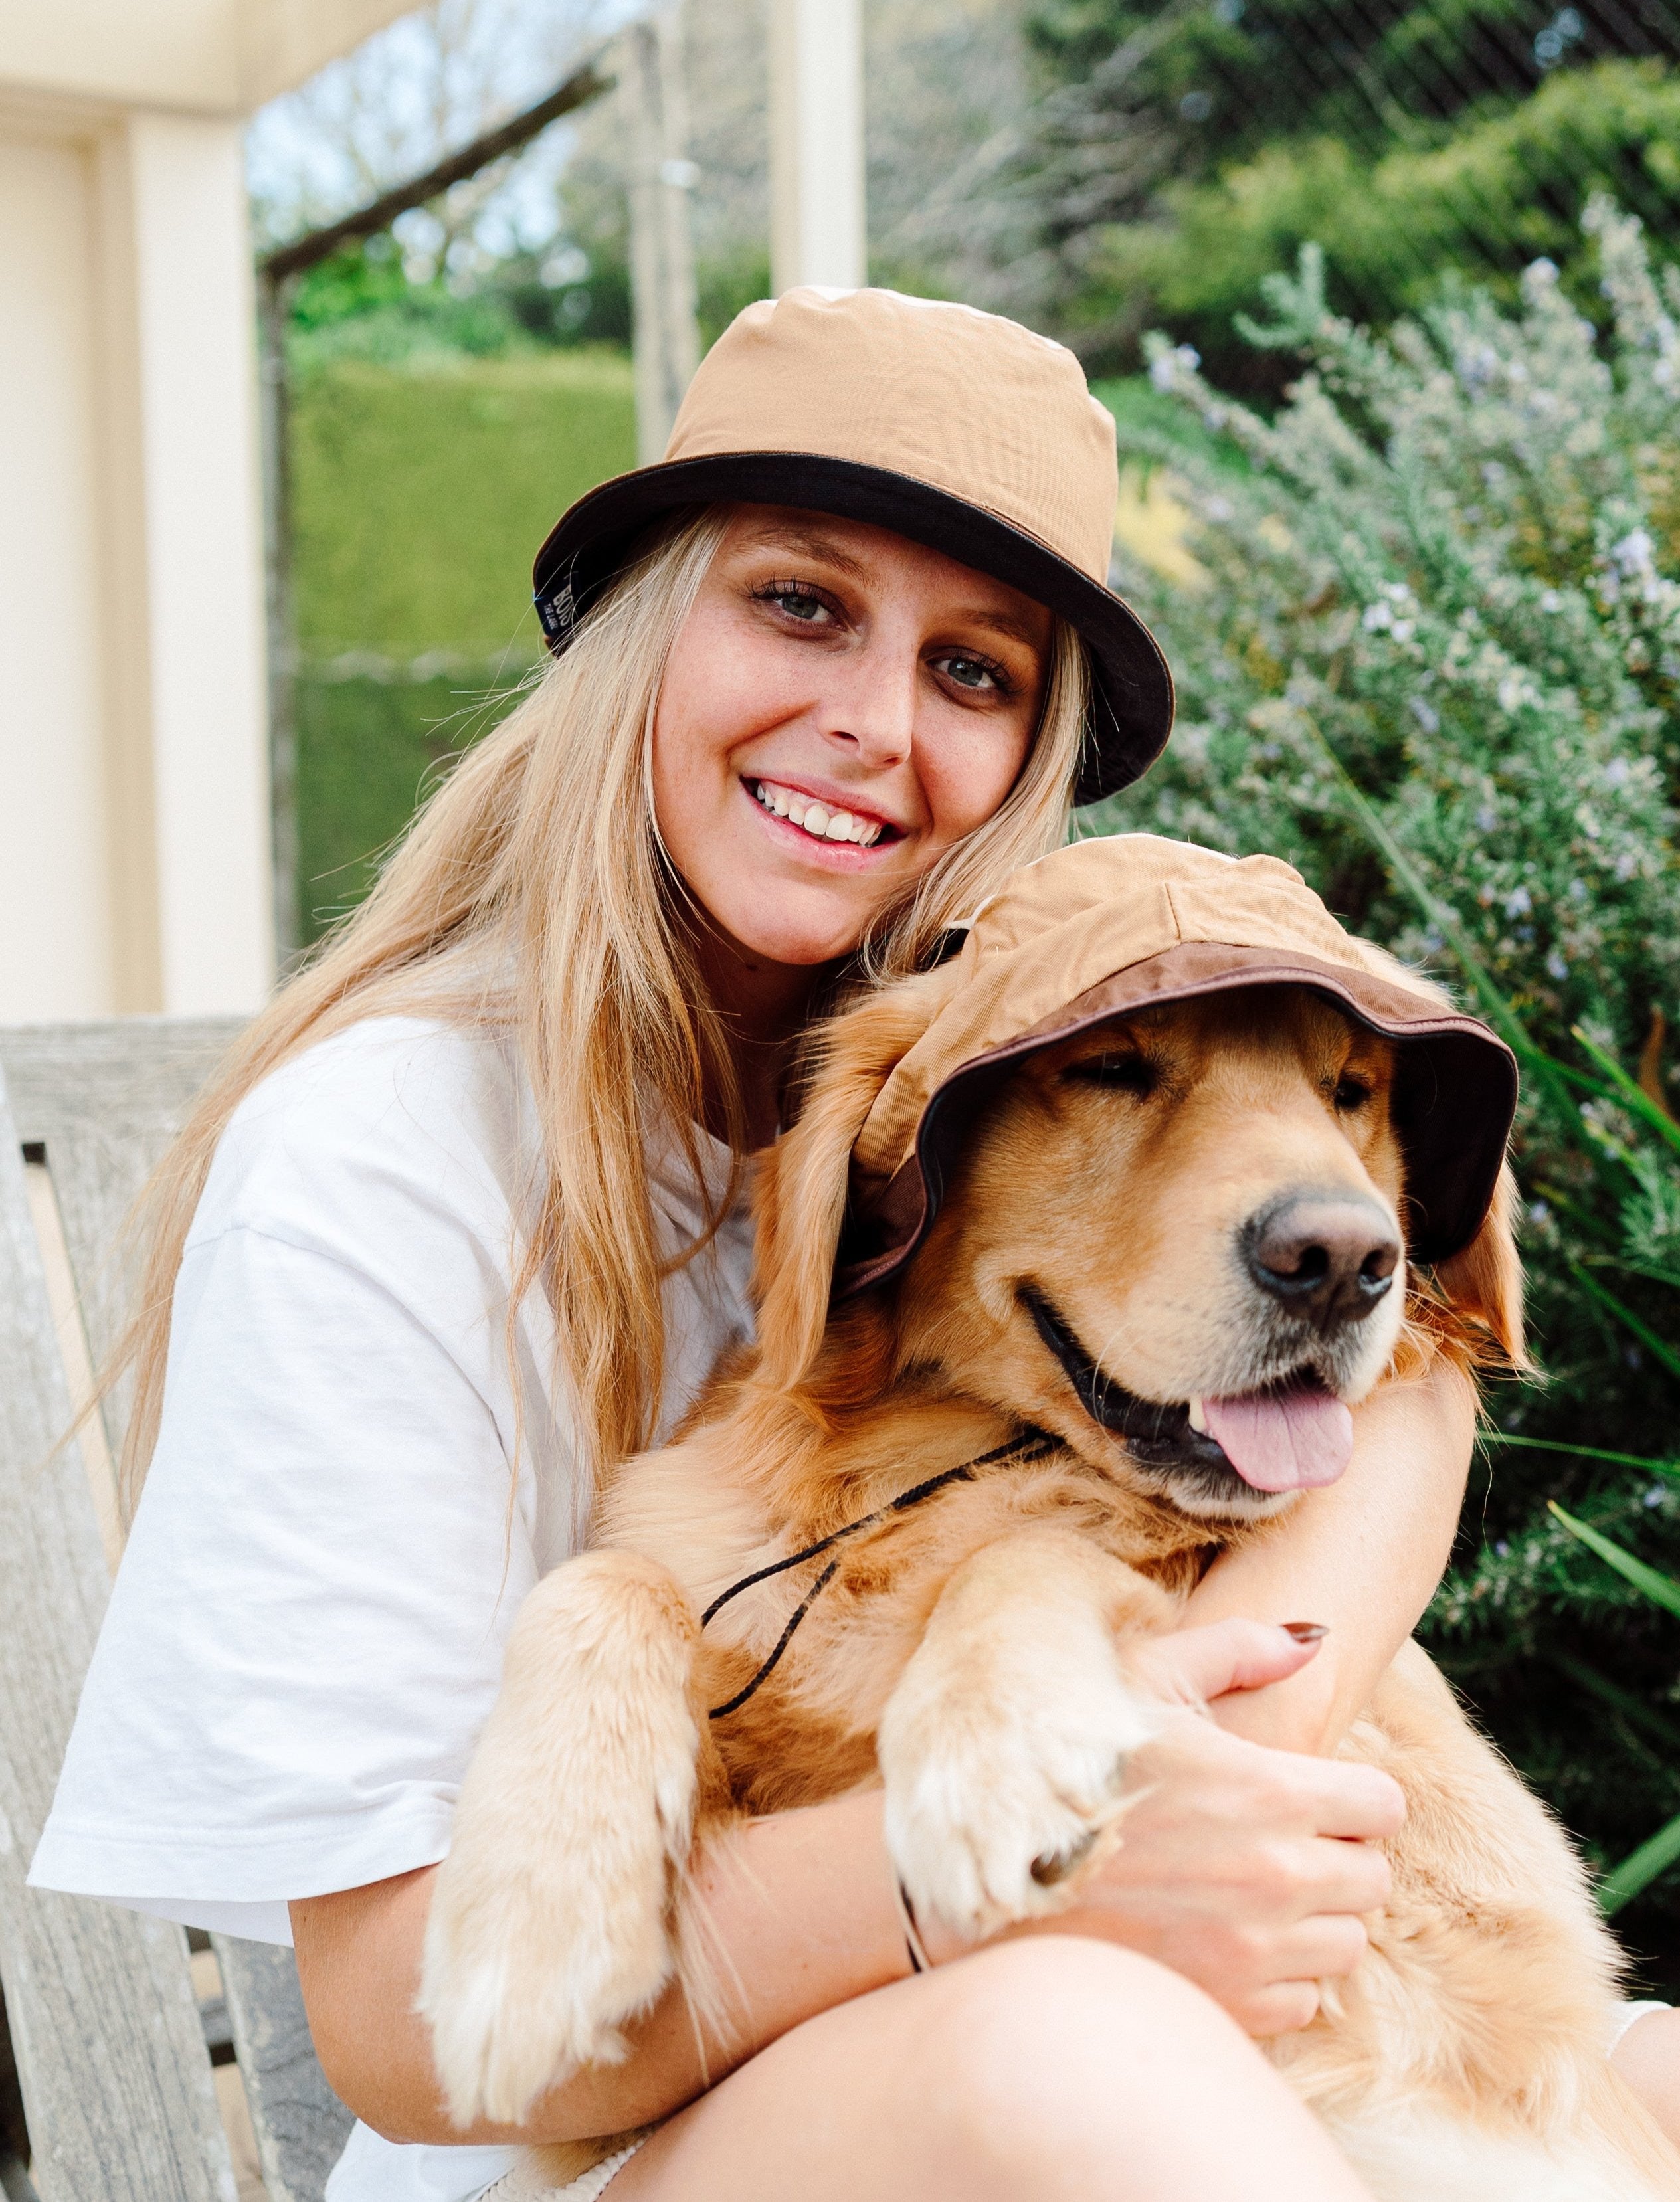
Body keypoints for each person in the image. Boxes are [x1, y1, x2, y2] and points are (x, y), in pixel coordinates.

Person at [29, 288, 1677, 2202]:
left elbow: (1407, 1380)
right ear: (647, 627)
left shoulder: (1015, 1042)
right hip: (644, 2144)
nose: (875, 724)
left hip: (1196, 2057)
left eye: (974, 671)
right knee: (1067, 2041)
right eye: (798, 604)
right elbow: (408, 2031)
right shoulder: (375, 1162)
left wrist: (1185, 1735)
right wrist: (980, 1870)